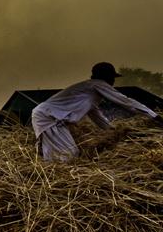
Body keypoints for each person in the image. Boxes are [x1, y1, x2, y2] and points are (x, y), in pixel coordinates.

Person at [31, 62, 163, 161]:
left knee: (55, 156)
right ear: (105, 77)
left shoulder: (90, 91)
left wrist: (113, 131)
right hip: (49, 117)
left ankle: (49, 178)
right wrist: (154, 116)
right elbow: (125, 101)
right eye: (112, 78)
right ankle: (58, 185)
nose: (113, 81)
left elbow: (95, 115)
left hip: (45, 115)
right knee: (69, 154)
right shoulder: (97, 84)